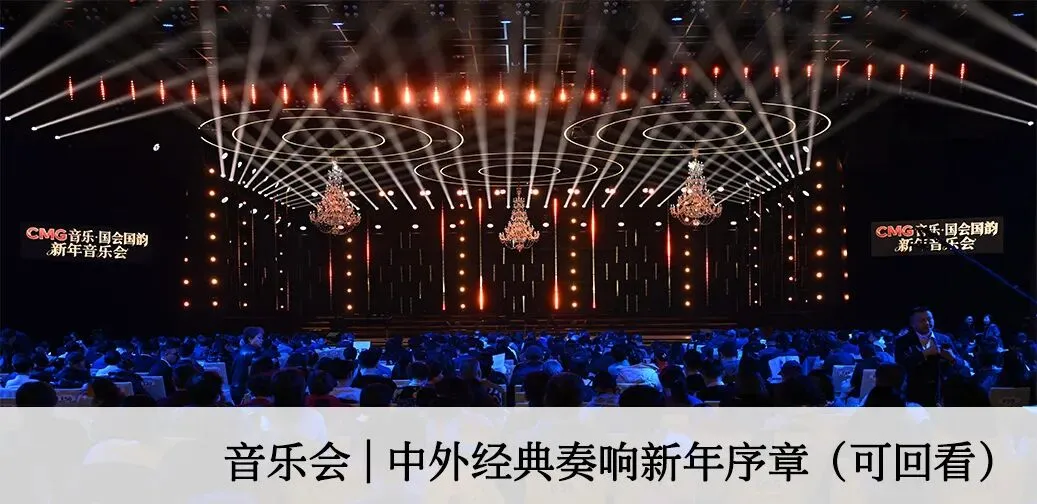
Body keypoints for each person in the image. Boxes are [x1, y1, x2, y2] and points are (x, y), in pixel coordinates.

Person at [894, 307, 962, 406]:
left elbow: (960, 365)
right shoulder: (903, 341)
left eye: (929, 319)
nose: (927, 323)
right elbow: (901, 365)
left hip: (943, 394)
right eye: (922, 320)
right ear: (912, 324)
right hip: (916, 395)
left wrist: (952, 358)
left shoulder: (944, 339)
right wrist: (924, 354)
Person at [230, 327, 264, 405]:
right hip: (245, 391)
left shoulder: (242, 349)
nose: (262, 340)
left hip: (234, 388)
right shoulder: (254, 352)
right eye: (259, 338)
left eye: (262, 338)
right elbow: (252, 375)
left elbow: (233, 369)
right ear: (250, 339)